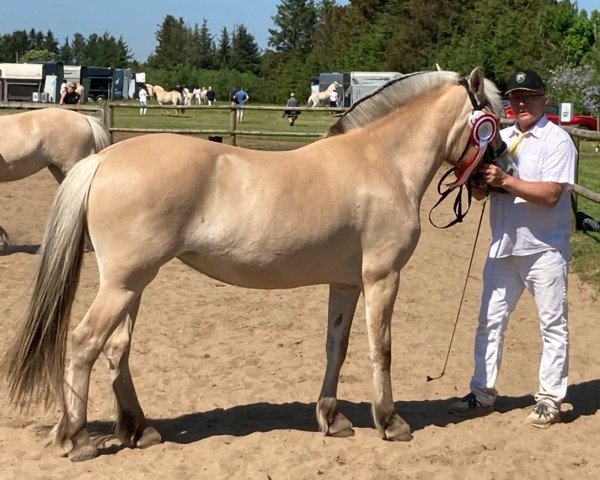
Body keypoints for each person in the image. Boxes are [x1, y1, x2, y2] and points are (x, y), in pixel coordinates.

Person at [449, 69, 577, 428]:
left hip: (543, 248)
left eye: (528, 97)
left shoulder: (557, 141)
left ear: (543, 99)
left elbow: (551, 194)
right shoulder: (498, 138)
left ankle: (550, 398)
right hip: (503, 247)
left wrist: (504, 179)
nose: (520, 103)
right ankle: (482, 391)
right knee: (489, 323)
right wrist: (478, 183)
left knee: (552, 325)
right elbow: (480, 192)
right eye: (515, 97)